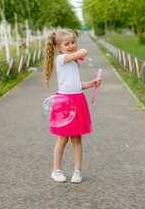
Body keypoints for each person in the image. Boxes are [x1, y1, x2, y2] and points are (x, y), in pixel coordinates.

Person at [43, 29, 102, 183]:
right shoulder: (61, 59)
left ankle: (77, 171)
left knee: (76, 139)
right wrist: (82, 50)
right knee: (62, 139)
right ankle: (56, 170)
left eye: (73, 42)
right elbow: (83, 52)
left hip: (77, 100)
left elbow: (74, 85)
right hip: (64, 102)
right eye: (67, 43)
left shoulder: (73, 62)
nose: (71, 45)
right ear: (57, 47)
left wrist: (90, 83)